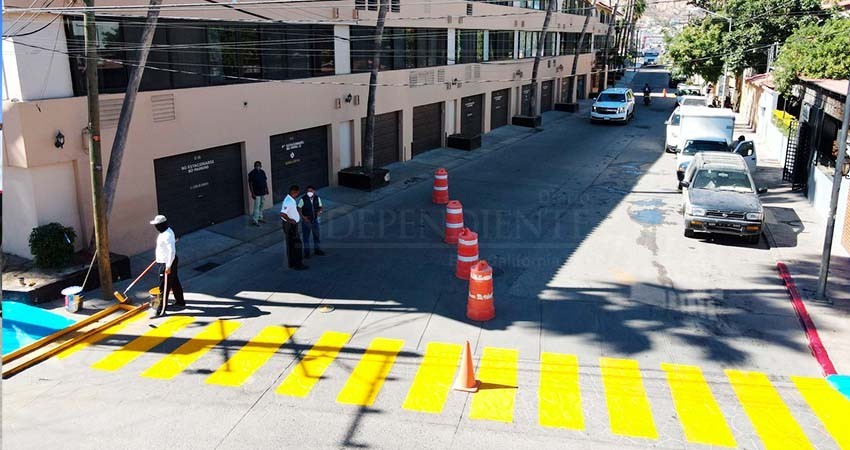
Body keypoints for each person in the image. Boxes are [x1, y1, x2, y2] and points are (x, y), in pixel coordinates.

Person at [149, 215, 185, 316]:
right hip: (165, 261)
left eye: (156, 225)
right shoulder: (167, 232)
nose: (155, 227)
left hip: (166, 263)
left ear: (161, 225)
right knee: (174, 282)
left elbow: (172, 251)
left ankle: (159, 310)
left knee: (163, 287)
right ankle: (180, 302)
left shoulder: (167, 235)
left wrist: (168, 266)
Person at [280, 185, 308, 270]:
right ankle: (298, 264)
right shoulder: (288, 201)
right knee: (297, 244)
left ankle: (291, 263)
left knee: (290, 244)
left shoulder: (290, 200)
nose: (297, 195)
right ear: (293, 192)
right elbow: (282, 214)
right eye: (297, 193)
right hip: (290, 226)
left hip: (290, 225)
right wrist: (290, 220)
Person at [298, 185, 325, 258]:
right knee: (306, 237)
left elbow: (321, 207)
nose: (309, 192)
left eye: (311, 191)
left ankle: (317, 250)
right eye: (308, 191)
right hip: (306, 221)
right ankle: (307, 253)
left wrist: (320, 211)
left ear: (314, 191)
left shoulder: (317, 198)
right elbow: (299, 208)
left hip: (315, 220)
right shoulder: (303, 199)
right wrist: (303, 217)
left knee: (316, 235)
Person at [247, 161, 269, 227]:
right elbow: (250, 184)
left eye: (259, 165)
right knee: (256, 206)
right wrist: (252, 193)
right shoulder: (251, 174)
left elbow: (265, 181)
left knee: (261, 205)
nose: (258, 166)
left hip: (263, 191)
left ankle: (260, 217)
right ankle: (255, 220)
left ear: (261, 166)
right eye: (256, 165)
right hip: (256, 193)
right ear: (254, 166)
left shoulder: (262, 172)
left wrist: (267, 189)